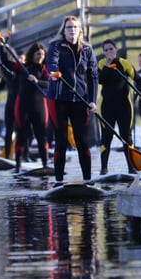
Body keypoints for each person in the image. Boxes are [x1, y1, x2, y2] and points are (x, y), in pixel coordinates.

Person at [45, 15, 99, 184]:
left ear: (80, 31)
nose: (72, 30)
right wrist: (54, 73)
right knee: (61, 141)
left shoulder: (88, 50)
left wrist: (92, 100)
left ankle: (88, 180)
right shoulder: (55, 46)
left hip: (80, 100)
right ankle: (59, 181)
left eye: (75, 27)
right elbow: (51, 64)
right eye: (69, 27)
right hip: (58, 98)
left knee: (82, 142)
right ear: (64, 30)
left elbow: (93, 76)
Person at [97, 40, 141, 174]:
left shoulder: (124, 63)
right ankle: (104, 169)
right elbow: (100, 80)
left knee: (127, 136)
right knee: (106, 137)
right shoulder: (101, 64)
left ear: (116, 49)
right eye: (105, 50)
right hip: (106, 106)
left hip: (124, 105)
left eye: (111, 49)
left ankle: (131, 168)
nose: (108, 52)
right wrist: (107, 65)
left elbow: (139, 79)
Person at [1, 42, 50, 172]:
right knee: (21, 135)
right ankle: (18, 165)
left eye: (42, 54)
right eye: (38, 54)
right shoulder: (22, 67)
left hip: (39, 106)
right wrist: (2, 46)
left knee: (41, 136)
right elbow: (6, 62)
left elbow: (50, 84)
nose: (40, 56)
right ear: (32, 55)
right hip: (22, 105)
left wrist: (37, 81)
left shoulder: (45, 69)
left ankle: (45, 164)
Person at [0, 50, 24, 159]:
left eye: (22, 59)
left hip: (21, 103)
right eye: (19, 58)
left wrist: (1, 66)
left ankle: (22, 155)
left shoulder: (24, 71)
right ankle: (8, 156)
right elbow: (2, 85)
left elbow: (11, 76)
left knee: (21, 130)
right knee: (9, 130)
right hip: (10, 103)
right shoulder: (11, 71)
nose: (21, 61)